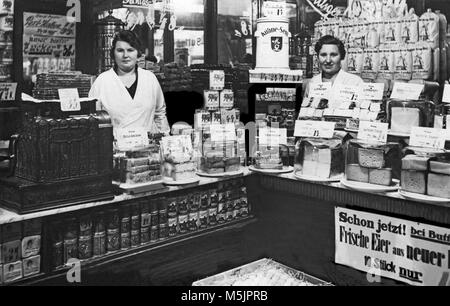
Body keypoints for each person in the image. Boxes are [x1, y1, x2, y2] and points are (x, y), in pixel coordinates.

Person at [89, 30, 170, 134]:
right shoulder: (102, 81)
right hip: (114, 147)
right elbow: (93, 119)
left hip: (147, 147)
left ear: (138, 53)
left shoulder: (150, 79)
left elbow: (160, 114)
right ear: (113, 53)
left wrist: (165, 138)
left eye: (130, 50)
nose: (125, 55)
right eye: (120, 50)